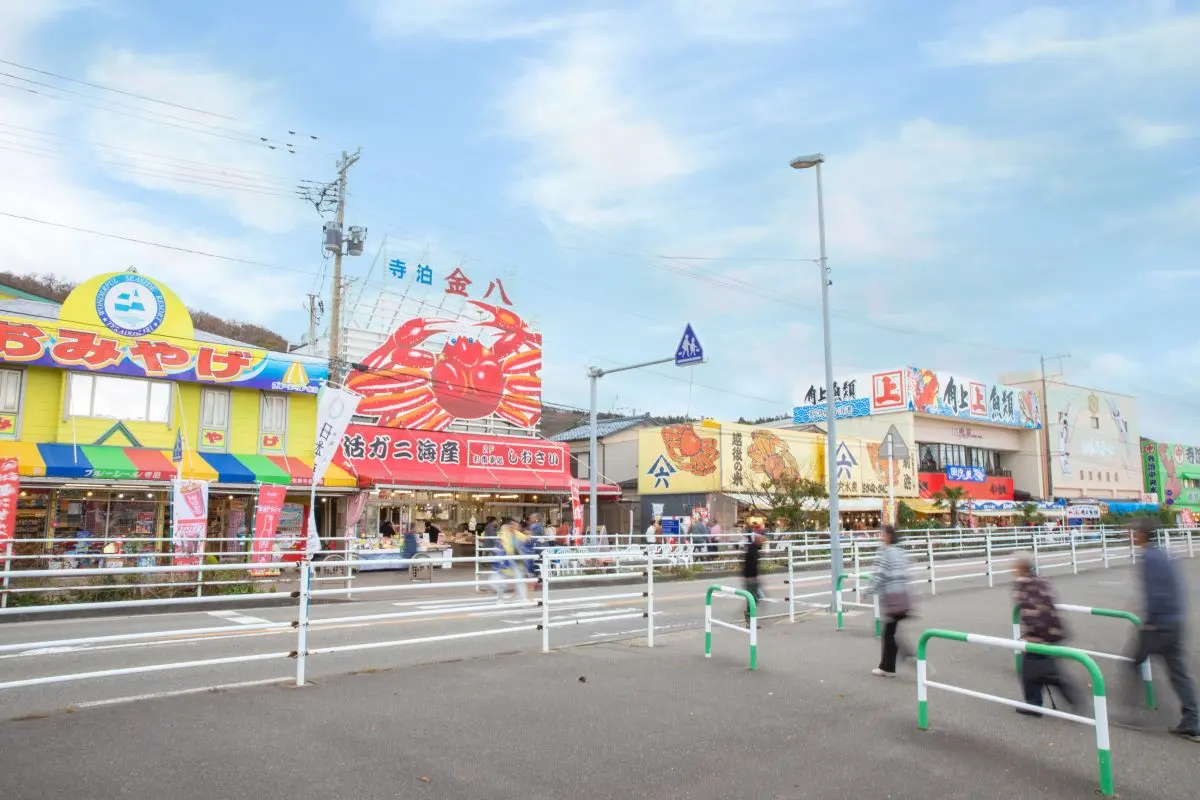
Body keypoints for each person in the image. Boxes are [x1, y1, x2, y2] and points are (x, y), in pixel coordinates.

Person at [1127, 518, 1199, 741]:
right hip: (1174, 620)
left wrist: (1150, 619)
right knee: (1178, 672)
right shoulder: (1163, 554)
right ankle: (1192, 719)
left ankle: (1132, 711)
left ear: (1143, 534)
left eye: (1135, 532)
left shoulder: (1148, 557)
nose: (1132, 535)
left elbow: (1155, 592)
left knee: (1135, 661)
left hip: (1159, 624)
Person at [1012, 551, 1076, 716]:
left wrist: (1031, 636)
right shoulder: (1040, 580)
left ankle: (1036, 705)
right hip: (1054, 630)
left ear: (1020, 567)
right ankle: (1035, 703)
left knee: (1042, 671)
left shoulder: (1023, 584)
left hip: (1041, 634)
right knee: (1033, 669)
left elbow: (1032, 612)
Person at [868, 525, 912, 678]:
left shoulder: (885, 553)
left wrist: (868, 591)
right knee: (890, 631)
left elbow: (880, 575)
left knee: (888, 633)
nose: (881, 537)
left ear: (888, 536)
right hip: (902, 596)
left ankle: (893, 663)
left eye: (882, 534)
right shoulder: (900, 552)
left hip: (892, 597)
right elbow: (907, 573)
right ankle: (890, 665)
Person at [490, 520, 530, 602]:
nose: (516, 527)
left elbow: (526, 539)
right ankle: (500, 599)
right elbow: (503, 544)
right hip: (504, 561)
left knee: (519, 579)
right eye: (514, 525)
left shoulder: (516, 533)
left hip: (514, 561)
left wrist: (528, 535)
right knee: (500, 581)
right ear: (510, 525)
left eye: (517, 525)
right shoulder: (503, 532)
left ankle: (523, 598)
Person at [742, 531, 766, 626]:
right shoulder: (752, 550)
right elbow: (750, 565)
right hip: (751, 578)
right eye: (761, 539)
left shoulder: (753, 548)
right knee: (753, 599)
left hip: (752, 578)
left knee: (756, 598)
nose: (763, 541)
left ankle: (749, 616)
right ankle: (750, 618)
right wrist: (750, 577)